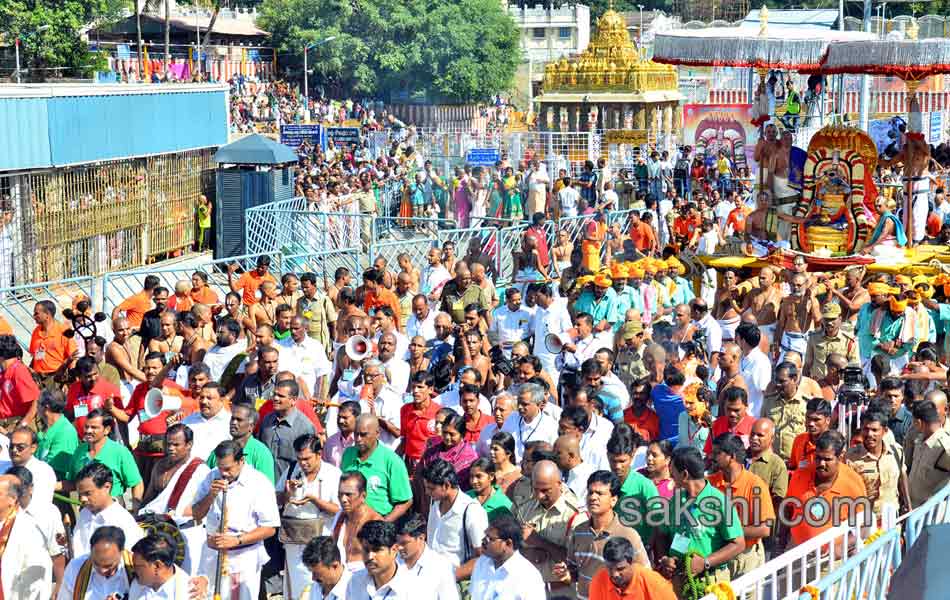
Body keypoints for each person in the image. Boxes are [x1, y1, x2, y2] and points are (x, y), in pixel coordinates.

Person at [191, 440, 281, 600]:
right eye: (220, 468)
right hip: (212, 556)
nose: (223, 473)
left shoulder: (259, 483)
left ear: (241, 461)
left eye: (228, 469)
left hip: (243, 557)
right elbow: (197, 515)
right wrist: (210, 495)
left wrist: (237, 540)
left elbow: (270, 528)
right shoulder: (211, 477)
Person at [654, 447, 744, 596]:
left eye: (673, 472)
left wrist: (705, 562)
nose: (670, 477)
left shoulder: (719, 502)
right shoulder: (675, 500)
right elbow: (662, 534)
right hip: (681, 581)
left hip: (711, 583)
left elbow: (738, 543)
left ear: (684, 475)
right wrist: (665, 558)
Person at [557, 470, 649, 600]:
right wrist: (566, 574)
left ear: (613, 500)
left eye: (600, 493)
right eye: (590, 492)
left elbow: (644, 576)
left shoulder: (629, 535)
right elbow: (575, 571)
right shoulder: (578, 532)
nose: (593, 497)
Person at [139, 424, 210, 575]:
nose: (171, 448)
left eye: (176, 444)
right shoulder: (159, 466)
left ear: (189, 445)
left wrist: (180, 515)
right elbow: (149, 498)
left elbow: (205, 506)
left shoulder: (200, 470)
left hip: (187, 533)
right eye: (168, 444)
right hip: (158, 531)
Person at [277, 434, 342, 600]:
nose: (303, 463)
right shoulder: (292, 470)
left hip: (321, 545)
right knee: (295, 589)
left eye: (307, 458)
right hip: (293, 542)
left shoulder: (333, 474)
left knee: (318, 586)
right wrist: (287, 493)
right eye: (299, 459)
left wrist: (315, 500)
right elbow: (276, 500)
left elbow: (339, 510)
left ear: (319, 454)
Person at [513, 459, 584, 595]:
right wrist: (525, 553)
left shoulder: (574, 515)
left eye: (545, 490)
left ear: (559, 484)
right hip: (527, 591)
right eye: (536, 489)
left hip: (561, 593)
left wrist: (540, 542)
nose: (539, 496)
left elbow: (579, 563)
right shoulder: (525, 509)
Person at [786, 431, 869, 545]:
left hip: (833, 559)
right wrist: (780, 545)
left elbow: (864, 526)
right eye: (818, 458)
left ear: (840, 457)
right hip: (797, 554)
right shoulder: (799, 475)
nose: (821, 464)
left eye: (827, 459)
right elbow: (788, 510)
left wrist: (841, 549)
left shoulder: (853, 483)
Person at [422, 458, 488, 580]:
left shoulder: (471, 511)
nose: (426, 492)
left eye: (431, 488)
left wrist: (449, 578)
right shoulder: (434, 503)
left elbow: (483, 558)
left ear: (446, 485)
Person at [340, 415, 413, 521]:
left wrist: (383, 524)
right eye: (356, 434)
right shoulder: (348, 454)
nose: (358, 439)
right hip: (350, 522)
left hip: (377, 523)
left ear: (377, 433)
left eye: (363, 435)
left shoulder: (392, 461)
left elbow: (405, 501)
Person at [66, 409, 143, 503]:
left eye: (94, 427)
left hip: (113, 509)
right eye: (86, 427)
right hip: (86, 509)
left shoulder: (120, 452)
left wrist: (135, 509)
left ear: (107, 430)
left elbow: (137, 483)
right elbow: (72, 482)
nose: (88, 431)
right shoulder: (79, 451)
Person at [72, 462, 144, 558]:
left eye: (88, 493)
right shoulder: (85, 513)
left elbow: (130, 559)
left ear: (107, 487)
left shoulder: (122, 520)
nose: (82, 499)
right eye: (80, 495)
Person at [469, 515, 546, 600]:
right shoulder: (481, 563)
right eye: (485, 536)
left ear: (508, 543)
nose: (483, 541)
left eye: (489, 539)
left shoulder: (528, 576)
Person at [346, 520, 420, 600]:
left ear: (394, 550)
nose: (370, 556)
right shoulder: (355, 581)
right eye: (366, 550)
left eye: (376, 550)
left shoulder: (413, 589)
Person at [587, 536, 676, 600]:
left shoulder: (654, 583)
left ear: (631, 562)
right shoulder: (598, 581)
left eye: (620, 569)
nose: (614, 574)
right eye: (610, 568)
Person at [394, 514, 459, 600]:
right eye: (397, 542)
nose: (399, 547)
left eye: (404, 543)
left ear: (421, 538)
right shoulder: (391, 560)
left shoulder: (441, 566)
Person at [127, 532, 208, 600]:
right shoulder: (137, 584)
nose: (134, 570)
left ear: (157, 566)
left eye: (138, 566)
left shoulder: (191, 594)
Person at [59, 526, 134, 600]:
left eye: (108, 566)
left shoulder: (136, 566)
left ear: (121, 552)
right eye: (96, 564)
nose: (102, 570)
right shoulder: (75, 567)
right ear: (91, 550)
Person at [180, 383, 231, 462]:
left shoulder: (231, 423)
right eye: (202, 397)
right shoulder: (188, 421)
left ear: (222, 400)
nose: (203, 401)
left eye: (209, 398)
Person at [36, 390, 78, 480]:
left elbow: (56, 470)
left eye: (38, 403)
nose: (36, 407)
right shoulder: (46, 428)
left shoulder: (65, 432)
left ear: (46, 407)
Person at [0, 335, 39, 432]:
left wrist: (23, 424)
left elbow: (37, 399)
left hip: (12, 423)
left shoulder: (18, 370)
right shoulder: (7, 370)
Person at [301, 536, 351, 600]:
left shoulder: (355, 589)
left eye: (317, 573)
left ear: (335, 566)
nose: (313, 578)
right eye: (312, 572)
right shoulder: (316, 587)